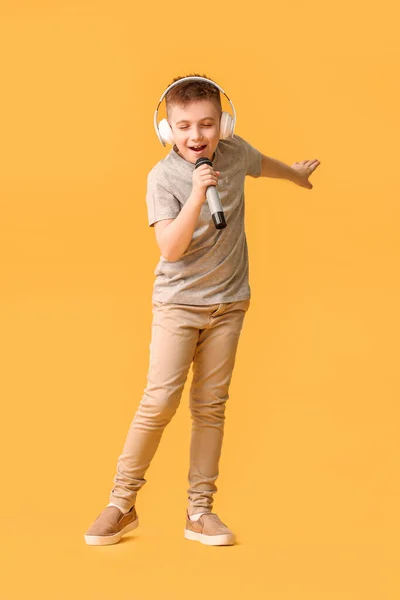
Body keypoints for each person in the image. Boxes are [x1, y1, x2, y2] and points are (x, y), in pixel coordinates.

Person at [84, 74, 320, 547]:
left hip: (229, 304)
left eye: (207, 124)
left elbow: (261, 164)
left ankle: (199, 512)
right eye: (185, 126)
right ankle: (121, 503)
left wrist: (293, 174)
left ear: (223, 125)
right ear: (167, 130)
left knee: (210, 408)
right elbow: (170, 248)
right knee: (158, 402)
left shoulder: (234, 155)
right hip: (178, 305)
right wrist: (196, 193)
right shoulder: (162, 177)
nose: (197, 136)